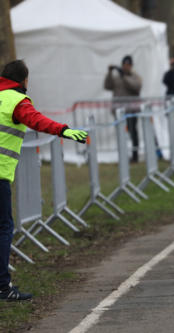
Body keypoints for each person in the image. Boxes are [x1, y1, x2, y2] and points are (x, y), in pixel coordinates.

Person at [0, 60, 88, 301]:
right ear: (24, 80)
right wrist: (64, 130)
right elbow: (36, 120)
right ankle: (2, 286)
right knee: (4, 228)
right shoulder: (16, 101)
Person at [104, 55, 142, 162]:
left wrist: (124, 77)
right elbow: (107, 86)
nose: (126, 67)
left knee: (133, 132)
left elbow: (136, 87)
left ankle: (135, 155)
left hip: (131, 110)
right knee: (121, 133)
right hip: (119, 111)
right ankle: (123, 155)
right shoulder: (117, 78)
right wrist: (109, 73)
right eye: (124, 65)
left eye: (128, 65)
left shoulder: (135, 77)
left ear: (131, 66)